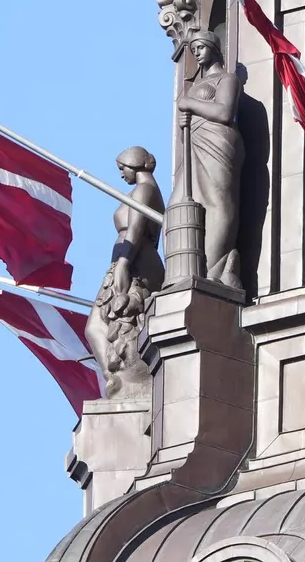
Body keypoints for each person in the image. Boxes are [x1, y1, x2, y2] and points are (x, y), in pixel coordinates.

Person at [87, 146, 165, 398]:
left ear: (135, 163)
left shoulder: (145, 190)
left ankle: (118, 379)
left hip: (133, 260)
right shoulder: (146, 190)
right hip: (130, 258)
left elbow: (135, 228)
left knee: (103, 326)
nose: (121, 173)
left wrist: (122, 263)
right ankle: (114, 377)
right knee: (101, 326)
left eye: (123, 167)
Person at [176, 30, 243, 287]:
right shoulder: (193, 87)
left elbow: (225, 112)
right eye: (193, 50)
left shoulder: (227, 79)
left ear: (214, 48)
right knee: (179, 205)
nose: (197, 54)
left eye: (201, 48)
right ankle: (186, 269)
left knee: (217, 202)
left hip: (219, 144)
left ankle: (216, 267)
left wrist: (189, 105)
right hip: (195, 148)